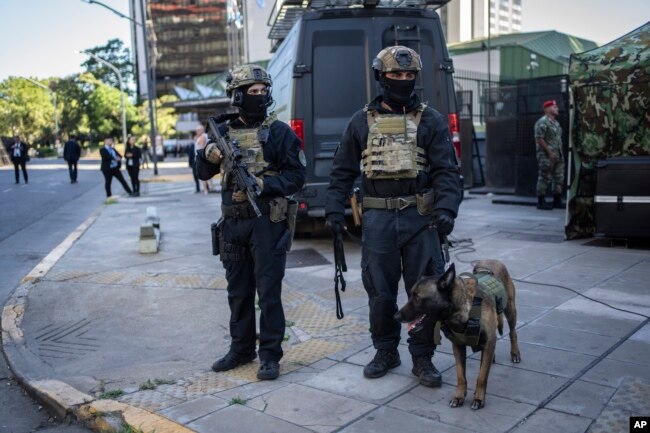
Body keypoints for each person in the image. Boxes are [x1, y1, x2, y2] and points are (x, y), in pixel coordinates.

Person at [325, 46, 462, 387]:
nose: (403, 80)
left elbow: (447, 170)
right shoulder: (360, 121)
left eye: (409, 75)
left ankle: (422, 358)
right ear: (381, 78)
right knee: (381, 294)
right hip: (379, 221)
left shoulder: (432, 120)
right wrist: (333, 209)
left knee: (427, 293)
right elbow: (341, 171)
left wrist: (446, 208)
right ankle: (386, 350)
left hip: (421, 219)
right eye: (395, 75)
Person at [196, 64, 305, 380]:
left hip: (266, 223)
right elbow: (202, 173)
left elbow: (297, 175)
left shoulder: (279, 132)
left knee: (269, 292)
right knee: (238, 291)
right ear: (236, 95)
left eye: (263, 91)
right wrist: (209, 154)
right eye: (252, 92)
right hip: (232, 225)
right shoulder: (223, 133)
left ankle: (270, 355)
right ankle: (241, 349)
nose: (259, 97)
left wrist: (265, 185)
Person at [534, 100, 564, 210]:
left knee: (558, 177)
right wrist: (549, 153)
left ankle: (557, 200)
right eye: (554, 107)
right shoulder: (542, 122)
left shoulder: (556, 123)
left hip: (558, 155)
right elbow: (539, 139)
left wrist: (558, 154)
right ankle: (541, 202)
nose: (557, 109)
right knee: (544, 177)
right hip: (546, 156)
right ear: (547, 109)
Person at [193, 126, 211, 194]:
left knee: (203, 174)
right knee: (205, 174)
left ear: (202, 130)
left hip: (201, 158)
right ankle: (208, 188)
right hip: (203, 158)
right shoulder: (204, 136)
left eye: (198, 130)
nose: (197, 132)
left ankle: (205, 189)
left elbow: (202, 148)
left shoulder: (203, 137)